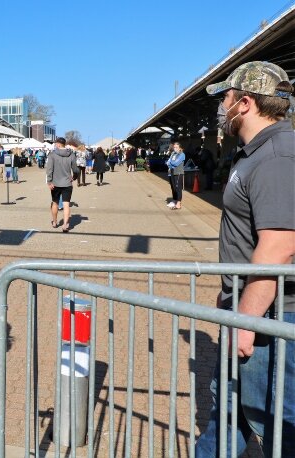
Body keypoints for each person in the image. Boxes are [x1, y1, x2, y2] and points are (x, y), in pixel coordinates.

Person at [195, 61, 295, 457]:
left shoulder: (277, 157)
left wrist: (247, 321)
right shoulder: (254, 153)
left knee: (276, 425)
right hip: (250, 308)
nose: (221, 107)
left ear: (245, 102)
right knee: (230, 412)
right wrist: (230, 301)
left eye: (226, 98)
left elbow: (280, 246)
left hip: (272, 316)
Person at [47, 137, 79, 232]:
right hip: (67, 183)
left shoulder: (52, 154)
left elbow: (49, 169)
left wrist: (49, 181)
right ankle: (65, 225)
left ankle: (55, 222)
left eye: (56, 143)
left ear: (58, 144)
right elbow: (75, 169)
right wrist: (75, 176)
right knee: (66, 205)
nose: (55, 145)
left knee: (55, 203)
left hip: (55, 183)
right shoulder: (71, 154)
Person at [165, 142, 185, 210]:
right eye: (174, 147)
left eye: (176, 147)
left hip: (178, 172)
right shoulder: (173, 154)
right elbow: (168, 162)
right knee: (173, 187)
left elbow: (176, 163)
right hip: (171, 172)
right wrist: (170, 163)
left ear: (180, 148)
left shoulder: (182, 154)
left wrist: (170, 163)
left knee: (178, 188)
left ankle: (178, 203)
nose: (175, 149)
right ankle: (174, 200)